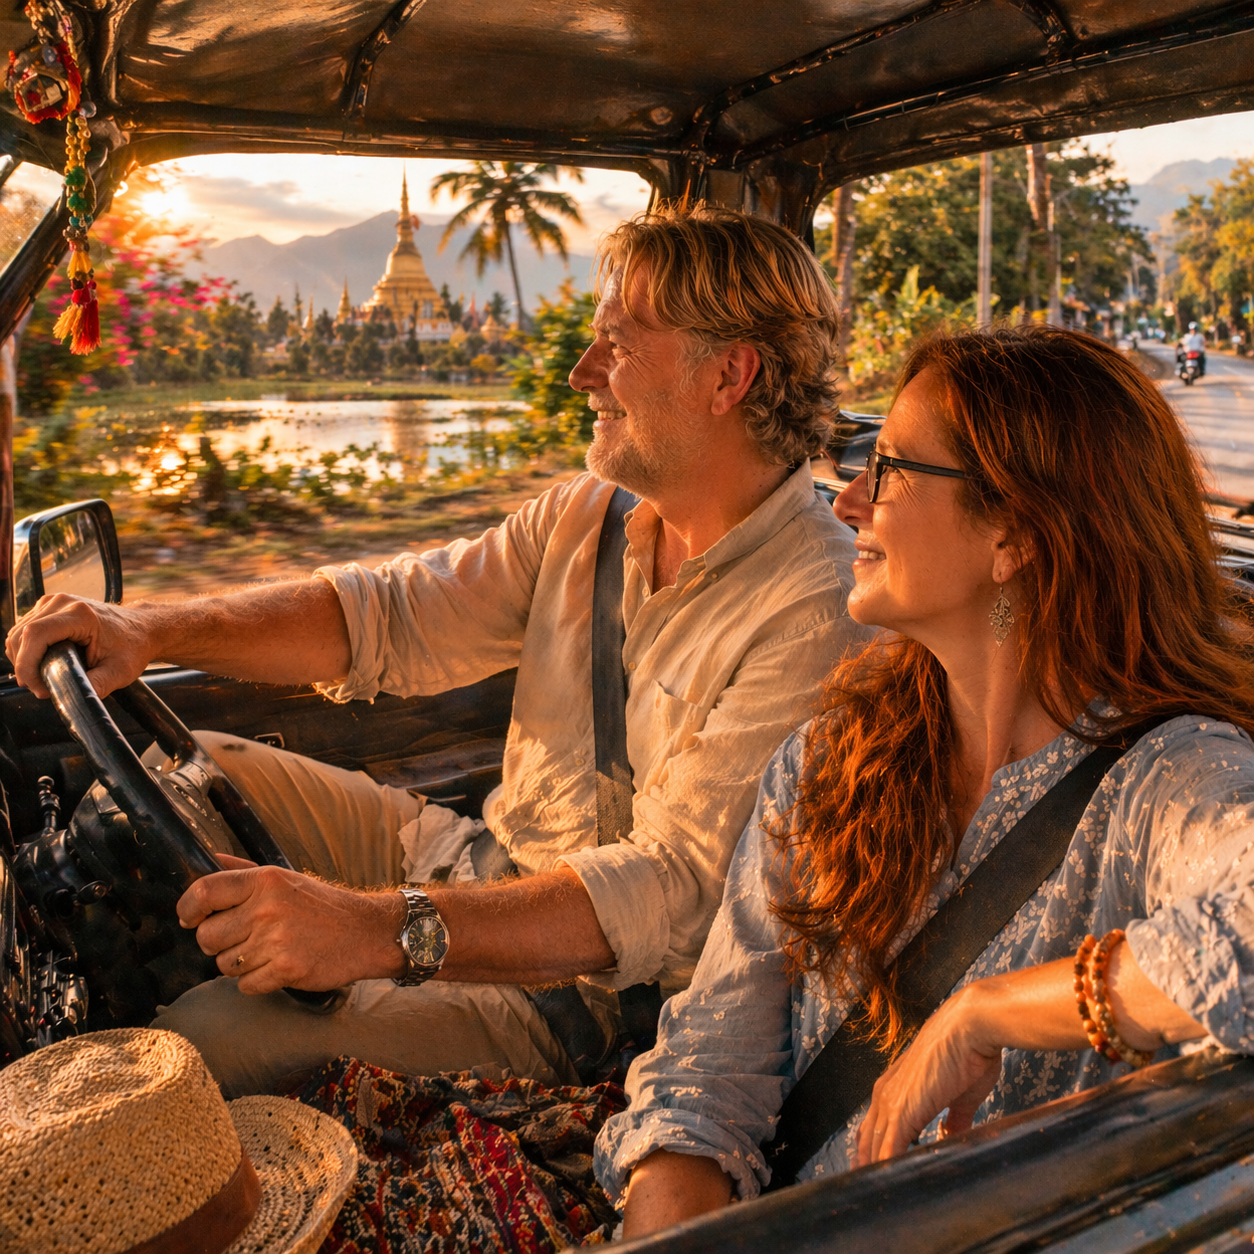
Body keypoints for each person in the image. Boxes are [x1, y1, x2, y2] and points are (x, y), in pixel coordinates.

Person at [6, 205, 868, 1097]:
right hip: (476, 857)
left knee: (194, 1051)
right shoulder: (589, 516)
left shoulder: (818, 608)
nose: (582, 373)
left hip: (595, 993)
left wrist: (369, 932)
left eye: (616, 343)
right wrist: (150, 629)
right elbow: (392, 615)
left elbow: (670, 891)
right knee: (193, 778)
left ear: (728, 375)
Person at [595, 324, 1254, 1238]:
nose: (848, 502)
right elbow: (710, 1066)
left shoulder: (1166, 784)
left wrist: (985, 1014)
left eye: (893, 469)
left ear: (1016, 530)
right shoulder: (831, 758)